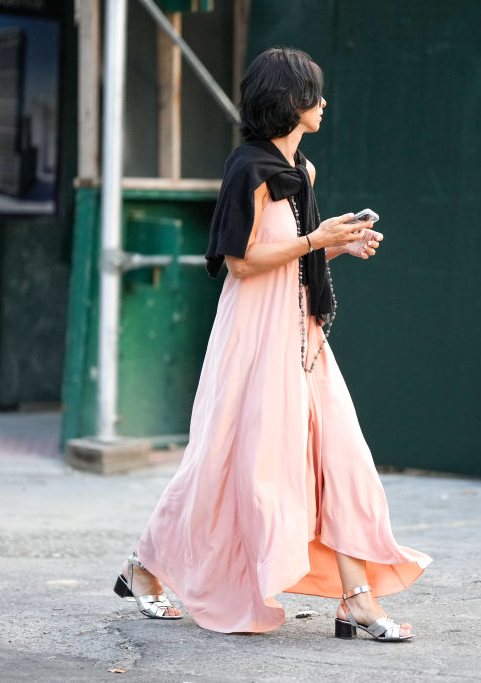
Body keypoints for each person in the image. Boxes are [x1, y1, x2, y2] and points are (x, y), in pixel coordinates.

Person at [113, 47, 430, 642]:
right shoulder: (248, 169)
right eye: (315, 95)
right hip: (252, 337)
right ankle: (143, 567)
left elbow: (295, 258)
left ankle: (356, 598)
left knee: (342, 457)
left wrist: (341, 243)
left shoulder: (301, 171)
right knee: (225, 467)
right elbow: (240, 262)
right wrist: (316, 239)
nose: (324, 104)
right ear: (290, 103)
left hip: (301, 335)